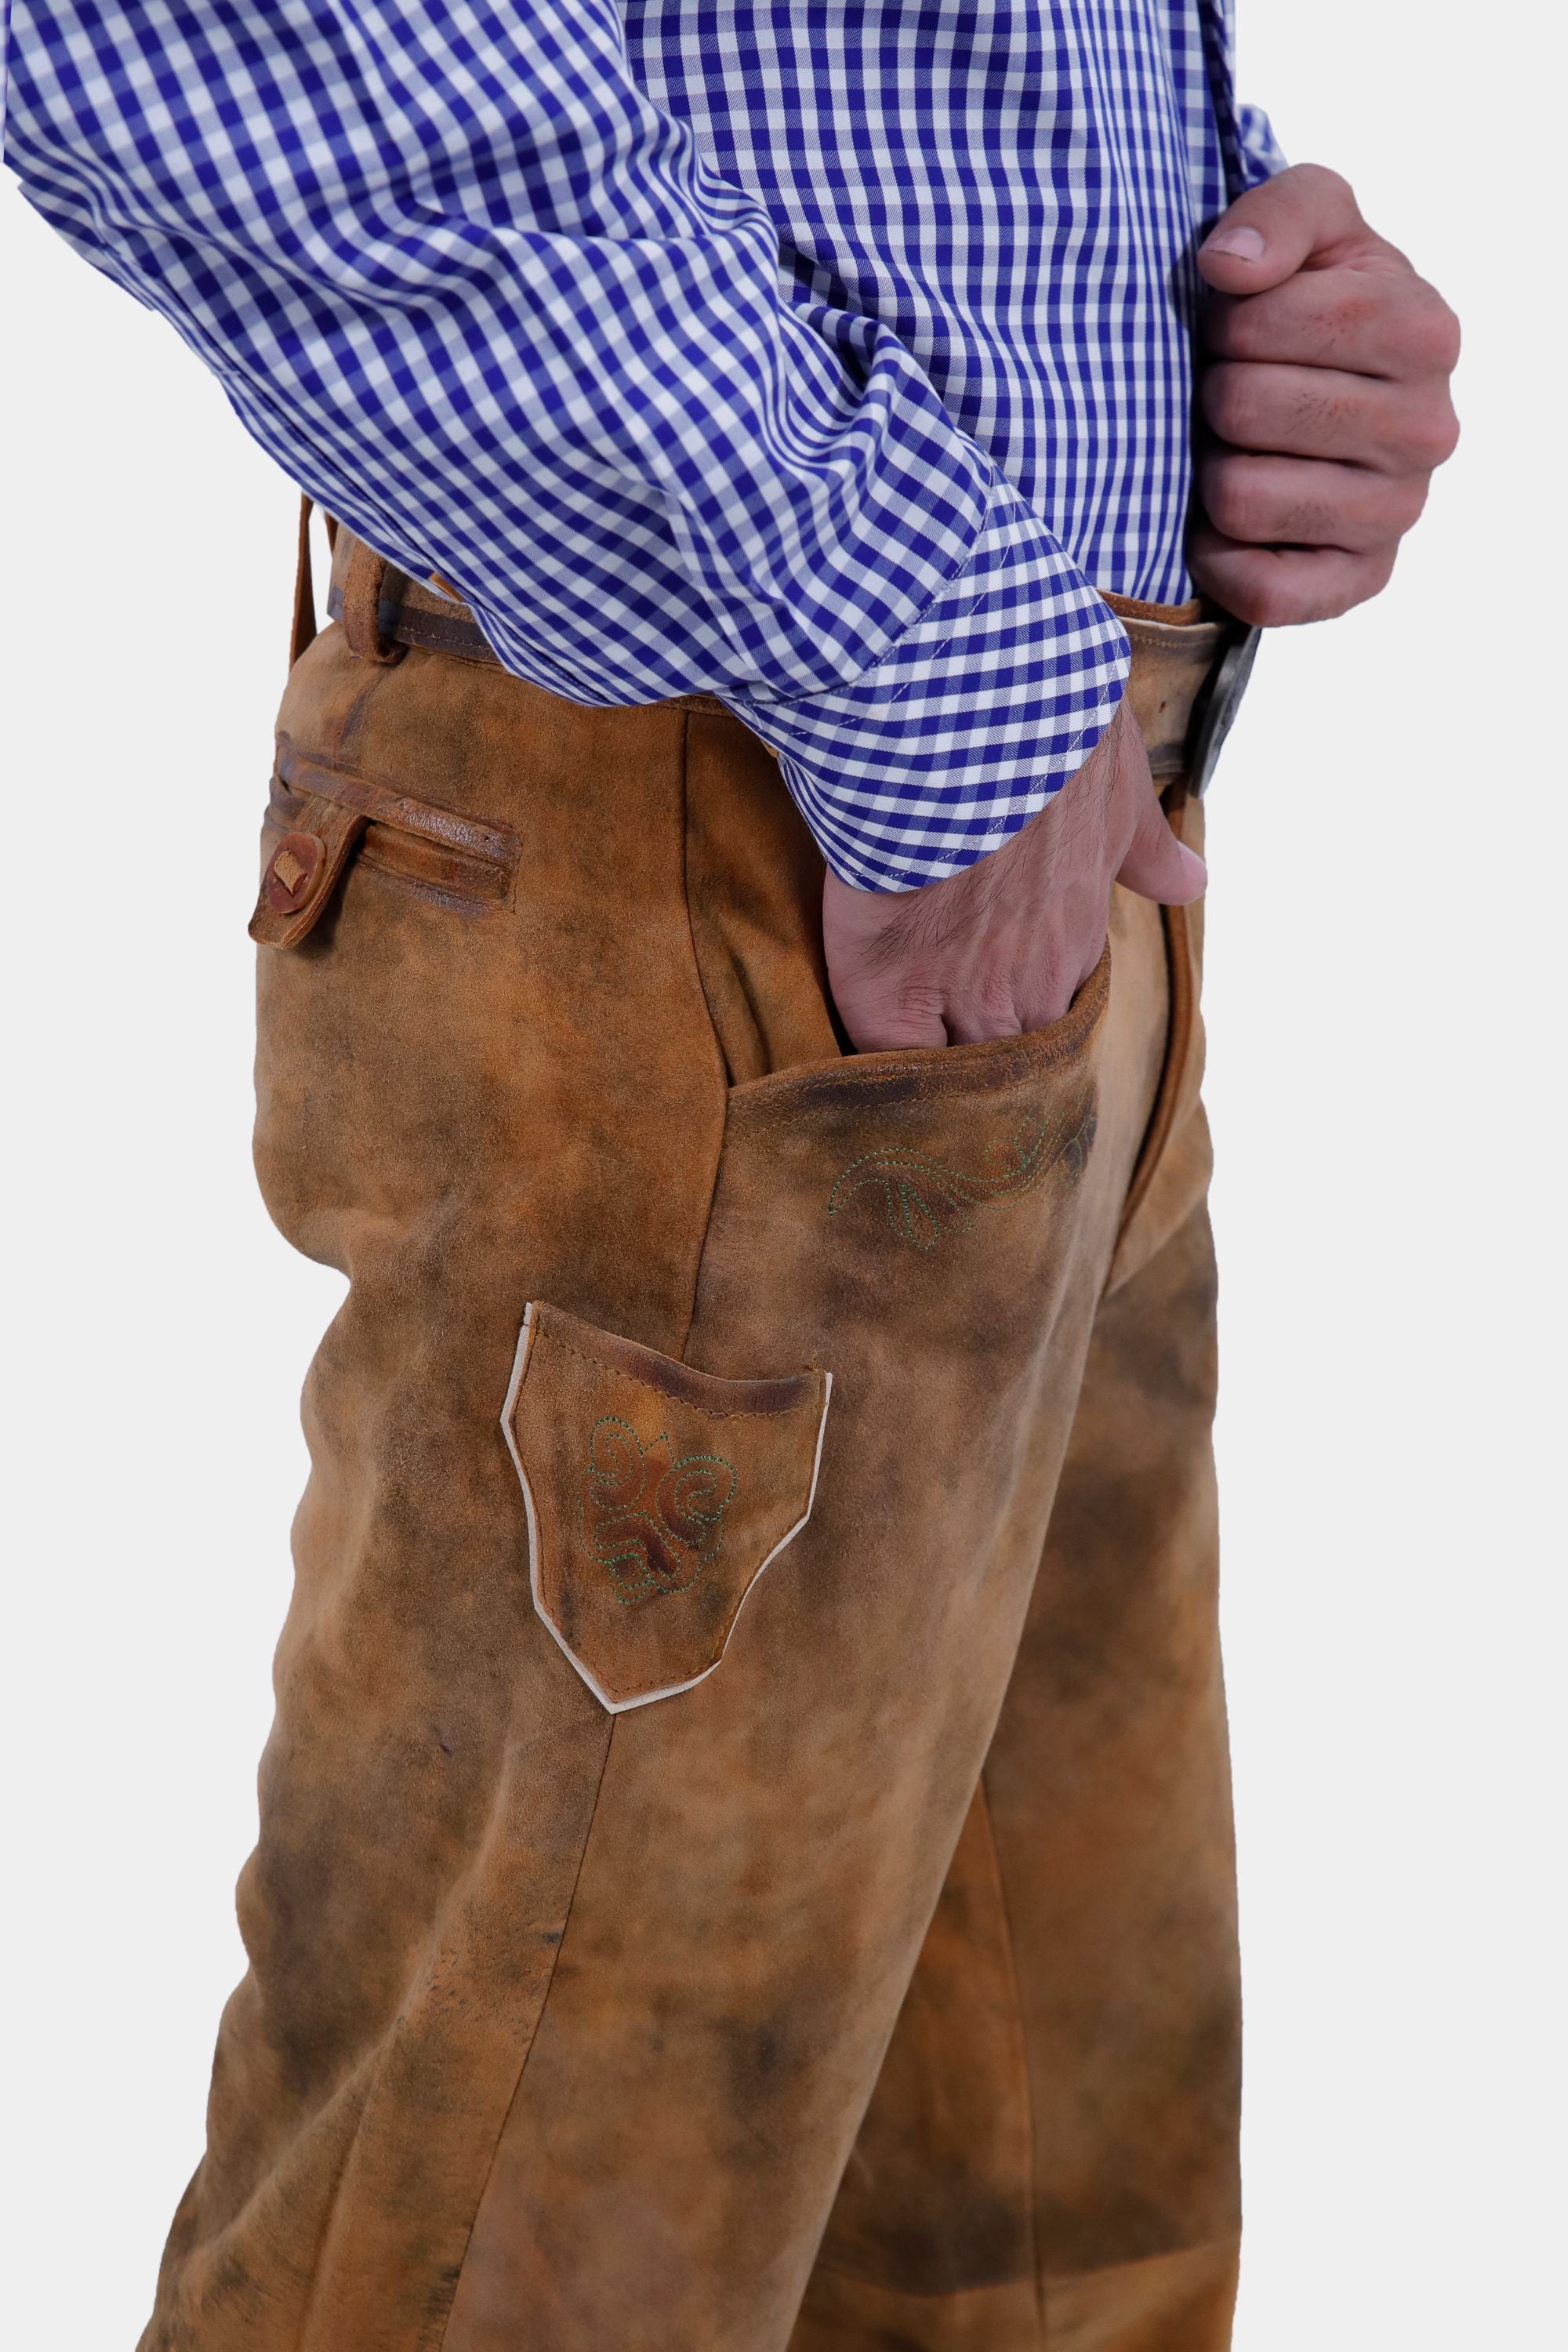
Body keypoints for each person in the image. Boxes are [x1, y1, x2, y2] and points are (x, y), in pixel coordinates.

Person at [4, 5, 1459, 2347]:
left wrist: (1206, 303)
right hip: (739, 852)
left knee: (1045, 2247)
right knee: (522, 2272)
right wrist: (918, 644)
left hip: (1030, 849)